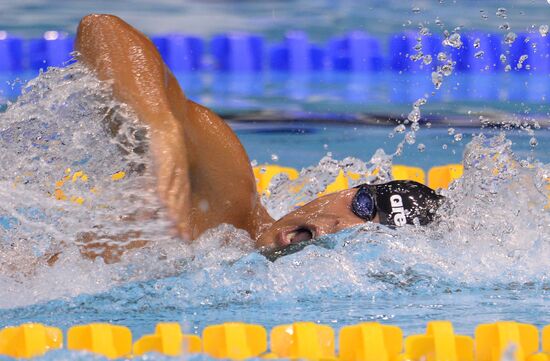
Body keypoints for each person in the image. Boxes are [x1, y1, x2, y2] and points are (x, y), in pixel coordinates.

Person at [74, 14, 443, 262]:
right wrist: (160, 127)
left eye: (368, 237)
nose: (335, 228)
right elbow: (101, 30)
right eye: (361, 206)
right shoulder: (223, 201)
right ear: (343, 191)